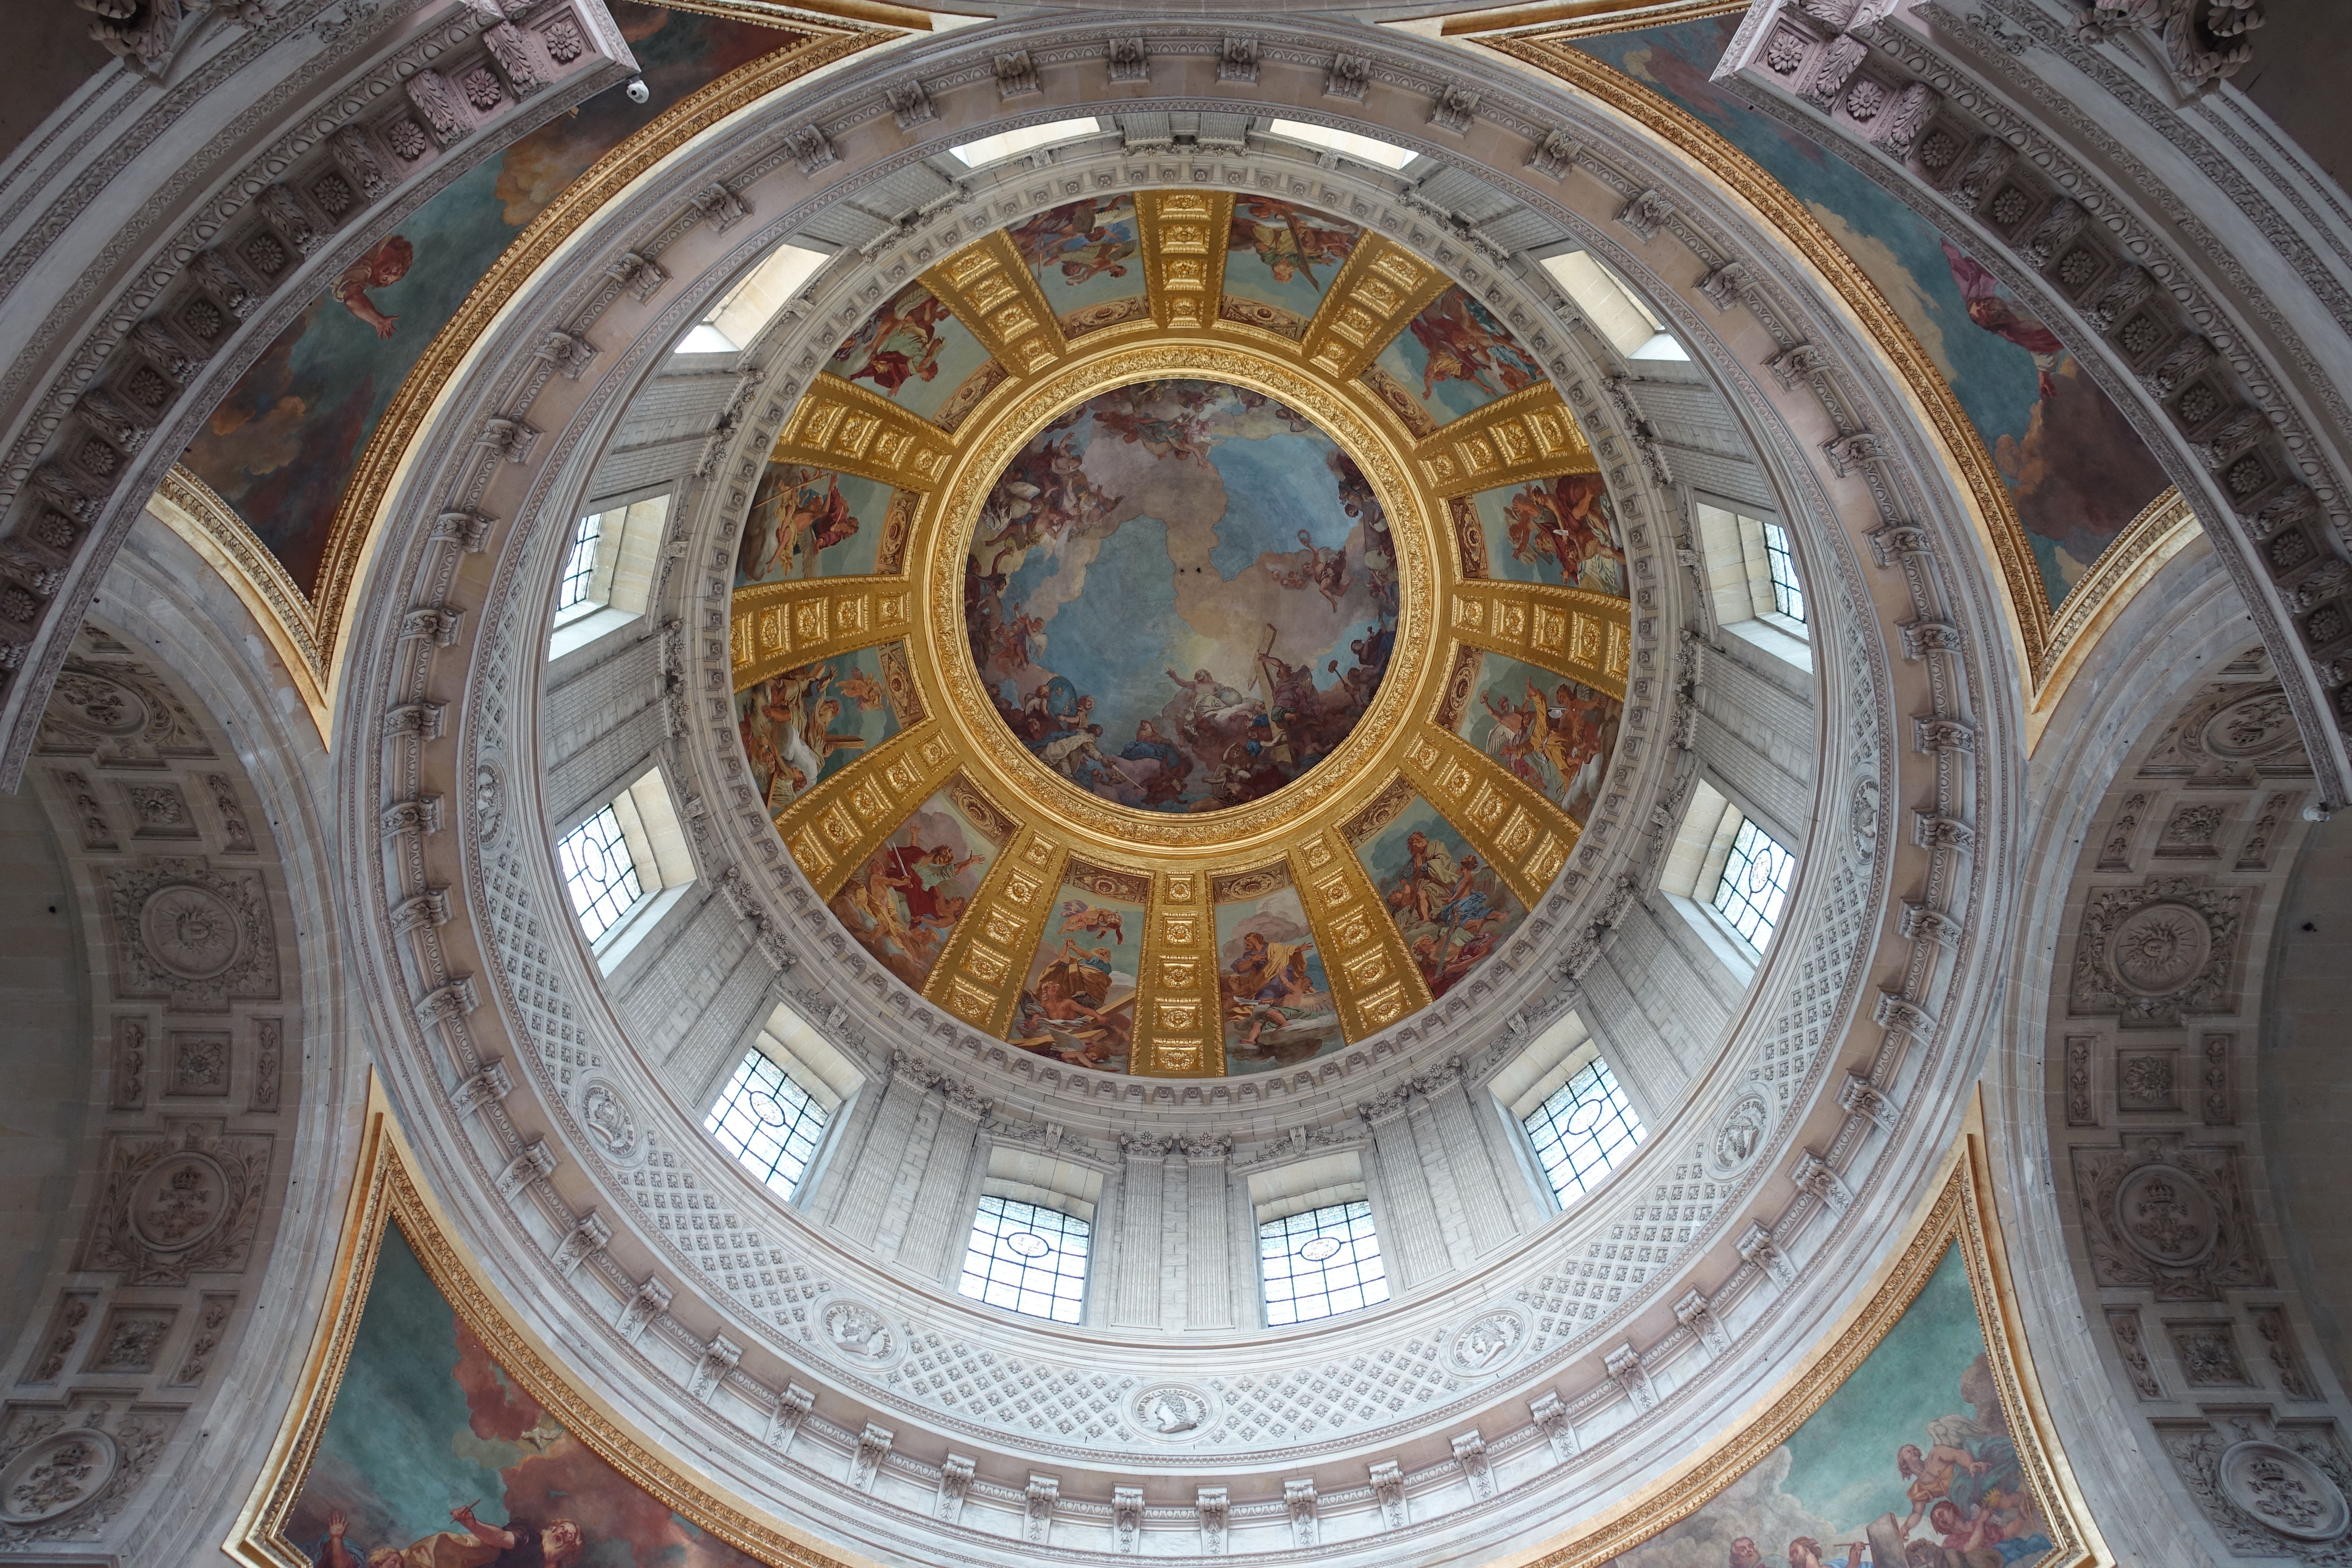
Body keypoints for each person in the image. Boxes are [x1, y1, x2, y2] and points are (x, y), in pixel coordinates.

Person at [331, 236, 414, 339]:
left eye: (385, 279)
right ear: (400, 256)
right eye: (396, 272)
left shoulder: (361, 269)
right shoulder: (384, 234)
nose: (389, 275)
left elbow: (353, 298)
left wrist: (378, 321)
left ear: (374, 276)